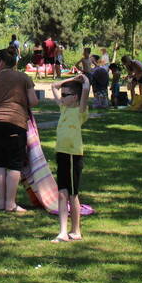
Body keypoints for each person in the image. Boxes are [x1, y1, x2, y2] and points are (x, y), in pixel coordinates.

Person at [0, 48, 39, 213]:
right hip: (15, 122)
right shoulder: (23, 78)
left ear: (0, 62)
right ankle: (10, 203)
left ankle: (1, 203)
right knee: (14, 164)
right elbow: (34, 101)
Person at [50, 72, 91, 242]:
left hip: (74, 156)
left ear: (74, 97)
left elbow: (86, 88)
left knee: (73, 194)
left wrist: (83, 80)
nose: (62, 97)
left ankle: (76, 230)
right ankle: (62, 231)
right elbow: (54, 86)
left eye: (65, 95)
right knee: (61, 193)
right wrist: (71, 80)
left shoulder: (80, 111)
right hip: (62, 153)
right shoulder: (63, 107)